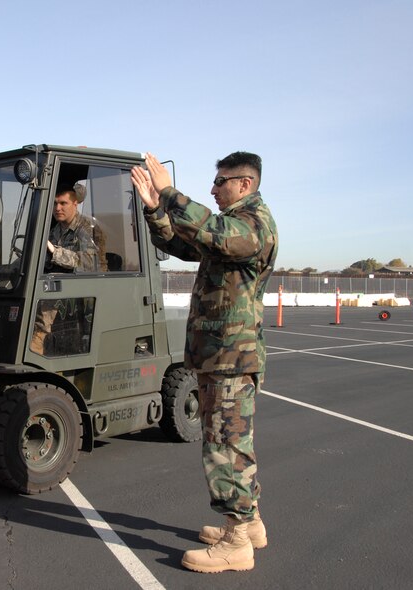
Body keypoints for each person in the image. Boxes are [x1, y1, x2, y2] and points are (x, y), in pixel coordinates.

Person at [131, 152, 278, 574]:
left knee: (223, 446)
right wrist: (155, 209)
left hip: (232, 358)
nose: (213, 189)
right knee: (235, 445)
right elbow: (184, 243)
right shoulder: (230, 229)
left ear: (244, 184)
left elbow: (210, 229)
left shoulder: (251, 225)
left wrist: (168, 191)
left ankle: (236, 542)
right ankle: (249, 525)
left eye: (220, 182)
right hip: (221, 356)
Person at [30, 187, 105, 355]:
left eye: (63, 203)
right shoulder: (55, 231)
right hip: (65, 286)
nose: (58, 208)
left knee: (49, 293)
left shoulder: (88, 228)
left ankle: (36, 345)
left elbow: (89, 263)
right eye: (55, 203)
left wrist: (54, 252)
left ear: (75, 204)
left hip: (89, 288)